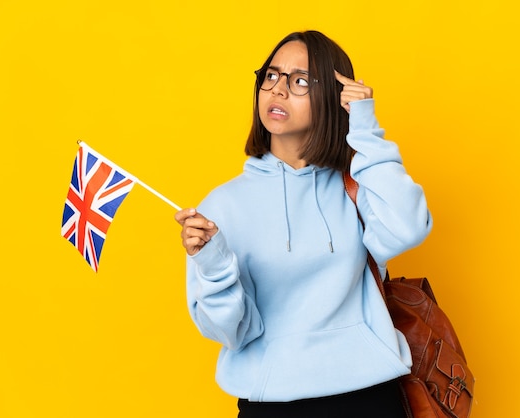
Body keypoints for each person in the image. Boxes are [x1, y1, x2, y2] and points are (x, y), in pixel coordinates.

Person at [174, 30, 432, 418]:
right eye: (271, 76)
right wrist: (213, 265)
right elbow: (231, 331)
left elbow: (409, 227)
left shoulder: (356, 186)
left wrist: (363, 130)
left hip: (369, 397)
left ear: (332, 96)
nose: (277, 90)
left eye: (299, 81)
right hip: (273, 404)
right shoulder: (221, 206)